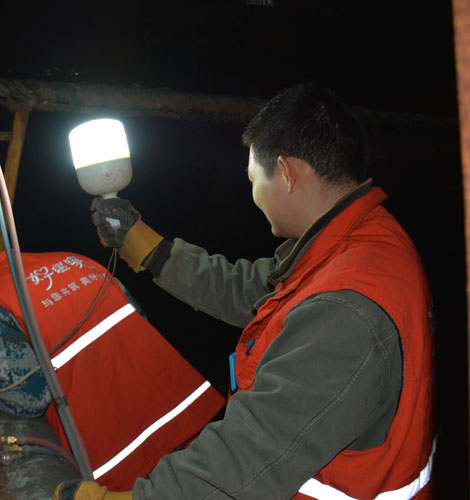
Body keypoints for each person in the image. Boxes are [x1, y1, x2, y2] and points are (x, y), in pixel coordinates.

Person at [55, 83, 435, 499]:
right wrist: (150, 249)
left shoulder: (344, 311)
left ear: (286, 173)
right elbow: (253, 289)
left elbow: (245, 460)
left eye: (254, 179)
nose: (253, 194)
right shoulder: (361, 242)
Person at [0, 251, 225, 492]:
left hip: (126, 457)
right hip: (190, 415)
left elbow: (24, 398)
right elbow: (138, 319)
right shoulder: (74, 260)